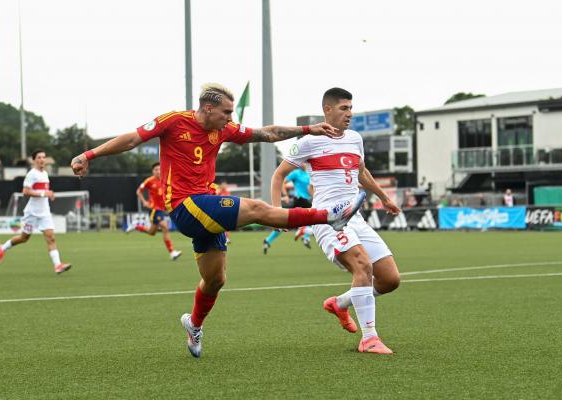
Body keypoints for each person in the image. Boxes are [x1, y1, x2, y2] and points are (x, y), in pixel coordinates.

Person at [70, 82, 365, 358]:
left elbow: (266, 133)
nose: (230, 117)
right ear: (208, 108)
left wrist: (307, 128)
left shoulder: (223, 129)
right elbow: (133, 138)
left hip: (206, 209)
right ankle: (329, 216)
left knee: (215, 280)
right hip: (185, 206)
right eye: (226, 111)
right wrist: (89, 154)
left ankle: (194, 325)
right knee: (257, 209)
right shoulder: (173, 120)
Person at [271, 87, 401, 354]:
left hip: (356, 219)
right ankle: (369, 338)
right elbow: (278, 176)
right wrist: (276, 212)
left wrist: (383, 198)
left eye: (351, 108)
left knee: (389, 280)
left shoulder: (355, 138)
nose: (349, 114)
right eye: (344, 108)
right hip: (328, 220)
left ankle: (339, 304)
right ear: (327, 110)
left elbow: (361, 173)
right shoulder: (308, 141)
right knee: (362, 266)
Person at [0, 149, 72, 274]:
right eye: (39, 157)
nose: (42, 160)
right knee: (24, 238)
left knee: (51, 238)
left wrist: (49, 194)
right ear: (34, 160)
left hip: (45, 212)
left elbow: (43, 192)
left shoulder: (45, 174)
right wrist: (44, 193)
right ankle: (2, 248)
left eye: (43, 157)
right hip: (32, 213)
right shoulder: (32, 174)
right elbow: (25, 192)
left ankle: (58, 266)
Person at [126, 162, 183, 260]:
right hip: (154, 209)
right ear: (153, 171)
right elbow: (138, 191)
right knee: (165, 227)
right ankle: (172, 252)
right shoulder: (149, 181)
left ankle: (136, 226)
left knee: (151, 232)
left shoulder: (165, 180)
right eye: (156, 169)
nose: (158, 171)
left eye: (159, 169)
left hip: (161, 209)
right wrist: (144, 202)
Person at [263, 165, 314, 253]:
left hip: (306, 200)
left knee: (285, 222)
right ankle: (304, 234)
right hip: (299, 199)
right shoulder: (296, 173)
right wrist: (285, 195)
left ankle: (268, 240)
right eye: (301, 162)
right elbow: (282, 181)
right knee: (314, 216)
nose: (303, 164)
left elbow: (310, 189)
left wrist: (314, 197)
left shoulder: (308, 174)